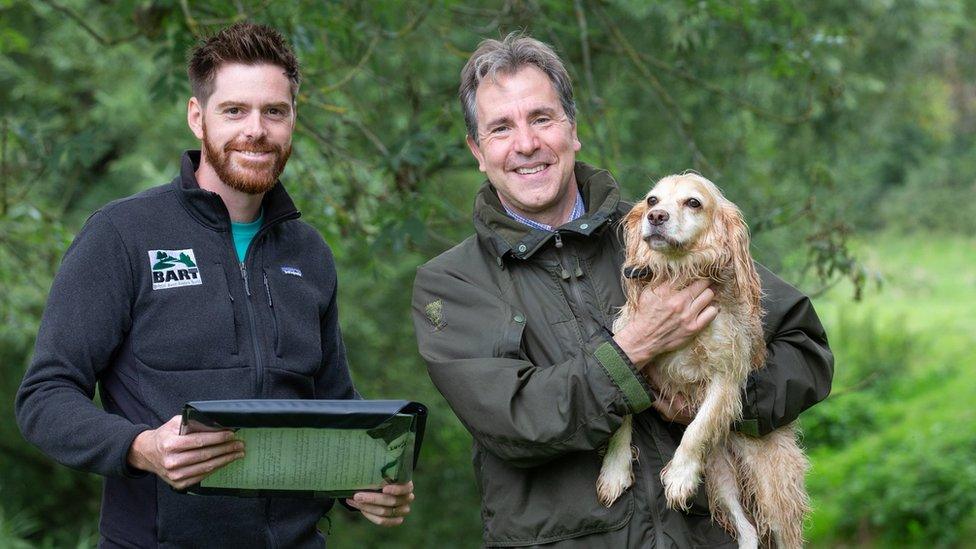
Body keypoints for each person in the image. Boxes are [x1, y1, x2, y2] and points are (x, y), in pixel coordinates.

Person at [411, 33, 833, 547]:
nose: (526, 144)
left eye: (542, 119)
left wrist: (718, 401)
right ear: (478, 151)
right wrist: (635, 348)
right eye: (501, 128)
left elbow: (805, 351)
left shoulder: (668, 230)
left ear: (572, 130)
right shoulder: (453, 283)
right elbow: (515, 423)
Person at [16, 22, 413, 548]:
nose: (257, 130)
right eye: (235, 111)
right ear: (196, 118)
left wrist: (368, 479)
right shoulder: (122, 235)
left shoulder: (309, 253)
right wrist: (139, 446)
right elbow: (44, 397)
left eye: (275, 111)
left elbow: (333, 402)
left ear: (293, 119)